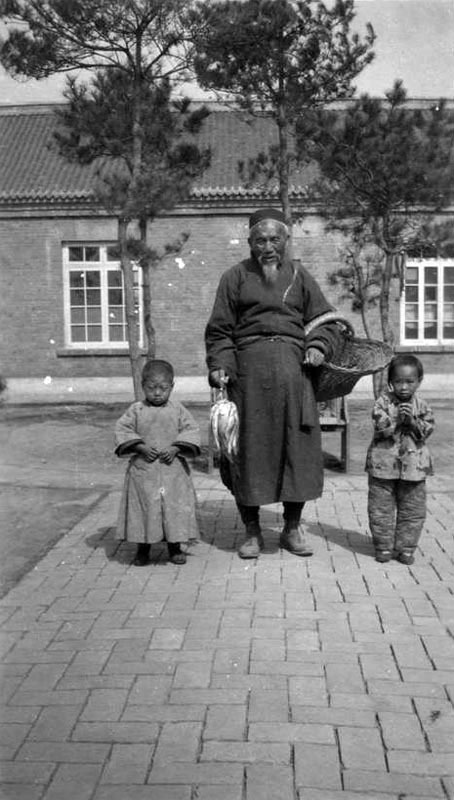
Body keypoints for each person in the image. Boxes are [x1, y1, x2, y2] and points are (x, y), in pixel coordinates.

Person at [205, 207, 341, 559]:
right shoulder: (234, 278)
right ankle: (251, 531)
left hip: (294, 378)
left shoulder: (300, 277)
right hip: (247, 381)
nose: (268, 246)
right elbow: (219, 332)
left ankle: (292, 529)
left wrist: (316, 346)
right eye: (260, 240)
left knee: (296, 452)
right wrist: (221, 366)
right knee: (246, 453)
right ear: (250, 242)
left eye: (274, 239)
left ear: (285, 241)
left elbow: (326, 321)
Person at [114, 359, 200, 566]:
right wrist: (140, 447)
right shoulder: (136, 410)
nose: (157, 393)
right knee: (145, 509)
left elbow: (192, 430)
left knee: (174, 509)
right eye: (152, 388)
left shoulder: (178, 409)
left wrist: (176, 448)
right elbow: (122, 429)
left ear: (172, 387)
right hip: (145, 472)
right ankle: (143, 549)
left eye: (163, 388)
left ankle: (175, 548)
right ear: (143, 386)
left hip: (173, 472)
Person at [366, 354, 435, 565]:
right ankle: (383, 546)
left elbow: (427, 430)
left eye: (409, 382)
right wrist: (397, 420)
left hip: (414, 468)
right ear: (390, 382)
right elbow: (381, 427)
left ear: (419, 382)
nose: (404, 387)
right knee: (380, 509)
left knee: (412, 510)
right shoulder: (382, 403)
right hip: (383, 466)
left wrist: (413, 422)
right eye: (398, 381)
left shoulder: (422, 406)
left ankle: (406, 548)